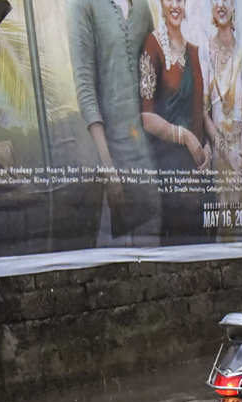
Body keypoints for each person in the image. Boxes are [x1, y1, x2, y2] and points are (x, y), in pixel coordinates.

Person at [67, 0, 160, 243]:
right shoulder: (82, 5)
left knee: (156, 260)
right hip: (112, 164)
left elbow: (155, 71)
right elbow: (85, 89)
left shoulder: (141, 7)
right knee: (115, 266)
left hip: (150, 160)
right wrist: (108, 171)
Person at [139, 0, 210, 243]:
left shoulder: (194, 51)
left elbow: (201, 110)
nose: (176, 6)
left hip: (199, 170)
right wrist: (185, 136)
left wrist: (206, 149)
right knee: (177, 243)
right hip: (170, 170)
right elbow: (147, 117)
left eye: (181, 0)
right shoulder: (153, 46)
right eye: (170, 0)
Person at [201, 0, 242, 240]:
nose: (221, 5)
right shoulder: (205, 50)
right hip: (220, 156)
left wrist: (240, 163)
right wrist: (227, 154)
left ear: (234, 5)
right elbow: (204, 113)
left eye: (227, 0)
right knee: (225, 228)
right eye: (216, 0)